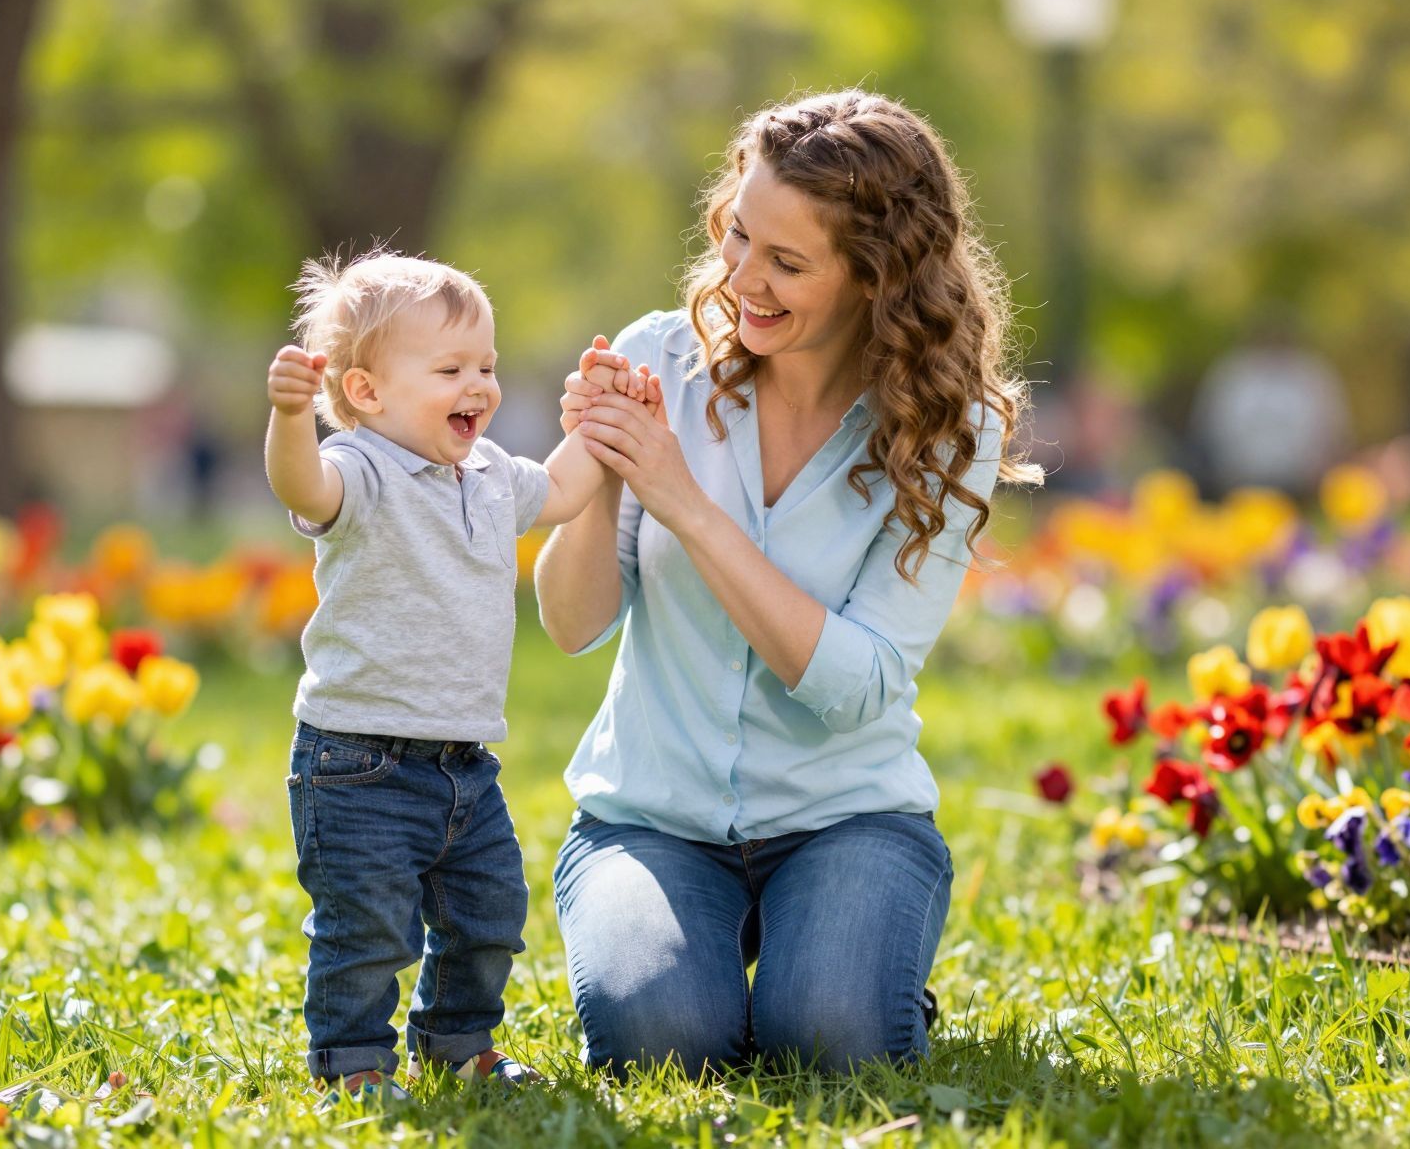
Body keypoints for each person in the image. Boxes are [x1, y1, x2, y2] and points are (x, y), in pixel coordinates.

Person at [534, 89, 1040, 1076]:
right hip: (651, 820)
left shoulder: (947, 426)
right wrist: (598, 471)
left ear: (875, 279)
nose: (741, 280)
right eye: (736, 237)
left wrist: (684, 503)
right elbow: (569, 625)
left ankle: (855, 957)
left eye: (786, 262)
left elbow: (852, 687)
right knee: (663, 1041)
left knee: (832, 1039)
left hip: (844, 818)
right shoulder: (656, 360)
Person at [261, 250, 658, 1104]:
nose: (478, 384)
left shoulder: (486, 476)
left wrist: (601, 417)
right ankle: (352, 1064)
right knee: (365, 929)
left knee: (489, 912)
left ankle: (455, 1042)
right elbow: (303, 483)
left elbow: (560, 489)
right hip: (357, 762)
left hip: (463, 766)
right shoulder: (360, 471)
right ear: (366, 394)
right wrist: (293, 417)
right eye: (450, 369)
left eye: (487, 366)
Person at [1189, 316, 1349, 495]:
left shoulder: (1313, 374)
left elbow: (1333, 429)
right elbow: (1211, 427)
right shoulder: (1231, 375)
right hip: (1240, 481)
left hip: (1299, 483)